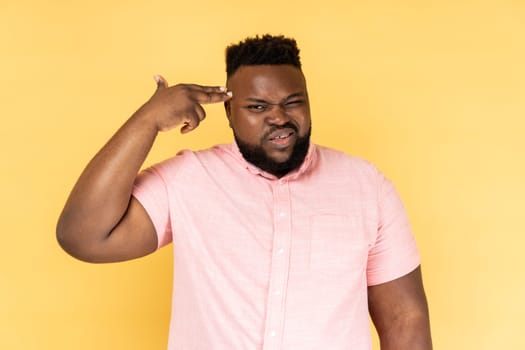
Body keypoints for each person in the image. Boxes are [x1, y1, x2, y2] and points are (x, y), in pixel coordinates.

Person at [57, 34, 432, 350]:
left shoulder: (367, 186)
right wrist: (148, 120)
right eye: (257, 106)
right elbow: (84, 236)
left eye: (293, 102)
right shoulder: (189, 179)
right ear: (229, 113)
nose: (279, 117)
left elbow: (405, 320)